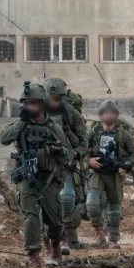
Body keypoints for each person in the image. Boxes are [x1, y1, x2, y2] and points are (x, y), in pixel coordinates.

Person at [0, 82, 73, 268]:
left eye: (32, 103)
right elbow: (4, 138)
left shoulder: (52, 126)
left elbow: (68, 153)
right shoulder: (20, 126)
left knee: (53, 219)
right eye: (25, 103)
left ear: (41, 104)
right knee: (31, 217)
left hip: (49, 177)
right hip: (27, 177)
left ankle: (55, 245)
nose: (28, 106)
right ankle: (33, 255)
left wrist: (58, 150)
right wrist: (22, 121)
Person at [43, 77, 88, 255]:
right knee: (44, 206)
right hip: (44, 166)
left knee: (68, 200)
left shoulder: (71, 113)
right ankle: (48, 242)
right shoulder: (36, 113)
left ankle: (66, 239)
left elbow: (83, 142)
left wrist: (75, 153)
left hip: (66, 164)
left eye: (58, 97)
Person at [86, 100, 134, 249]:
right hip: (97, 173)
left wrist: (126, 166)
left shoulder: (123, 134)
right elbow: (81, 149)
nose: (108, 115)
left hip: (114, 175)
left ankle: (113, 239)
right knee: (91, 204)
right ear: (101, 114)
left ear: (116, 115)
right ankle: (99, 233)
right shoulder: (93, 132)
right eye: (105, 112)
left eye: (111, 112)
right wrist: (88, 160)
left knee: (114, 207)